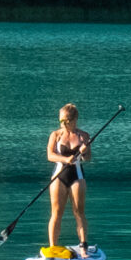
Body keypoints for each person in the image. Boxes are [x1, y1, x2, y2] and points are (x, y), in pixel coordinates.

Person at [45, 102, 94, 251]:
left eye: (64, 121)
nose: (62, 124)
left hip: (77, 176)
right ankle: (53, 248)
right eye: (60, 121)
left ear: (73, 120)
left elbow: (88, 158)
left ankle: (83, 246)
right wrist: (66, 159)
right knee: (56, 213)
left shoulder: (83, 136)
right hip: (59, 176)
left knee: (79, 212)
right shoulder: (56, 135)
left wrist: (84, 151)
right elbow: (50, 155)